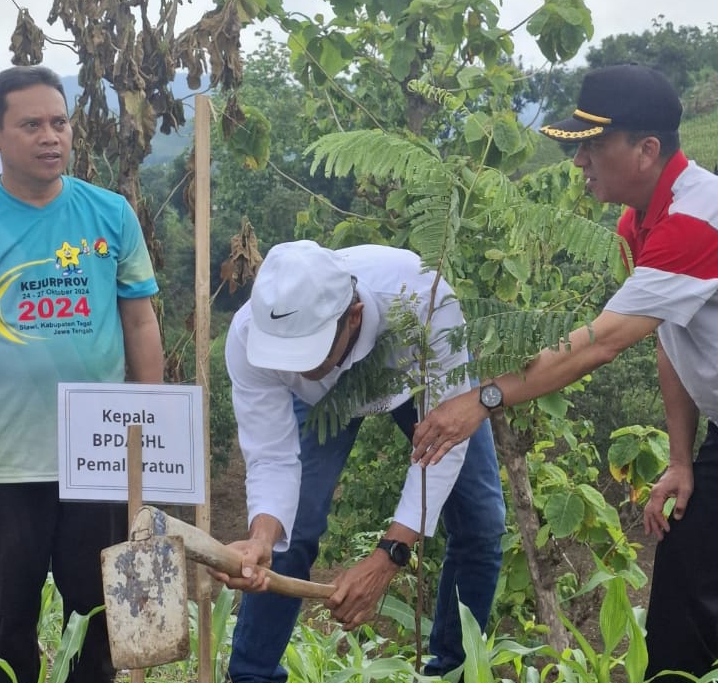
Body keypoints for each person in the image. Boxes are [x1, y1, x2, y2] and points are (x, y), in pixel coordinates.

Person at [412, 63, 718, 680]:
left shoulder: (694, 222)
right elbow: (669, 338)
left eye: (593, 146)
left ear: (646, 149)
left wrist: (485, 398)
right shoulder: (638, 223)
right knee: (683, 596)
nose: (580, 162)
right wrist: (681, 461)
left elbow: (597, 345)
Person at [213, 239, 506, 682]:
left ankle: (453, 673)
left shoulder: (424, 303)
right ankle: (252, 676)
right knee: (289, 538)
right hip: (321, 406)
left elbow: (447, 441)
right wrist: (261, 536)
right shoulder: (248, 333)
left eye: (305, 355)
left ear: (353, 318)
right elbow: (271, 456)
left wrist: (389, 554)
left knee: (482, 523)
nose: (292, 369)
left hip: (413, 379)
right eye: (281, 357)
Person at [0, 66, 164, 683]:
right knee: (3, 624)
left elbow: (140, 323)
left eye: (60, 122)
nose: (51, 136)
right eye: (31, 124)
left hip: (96, 460)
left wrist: (151, 427)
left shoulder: (110, 214)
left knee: (95, 619)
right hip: (6, 464)